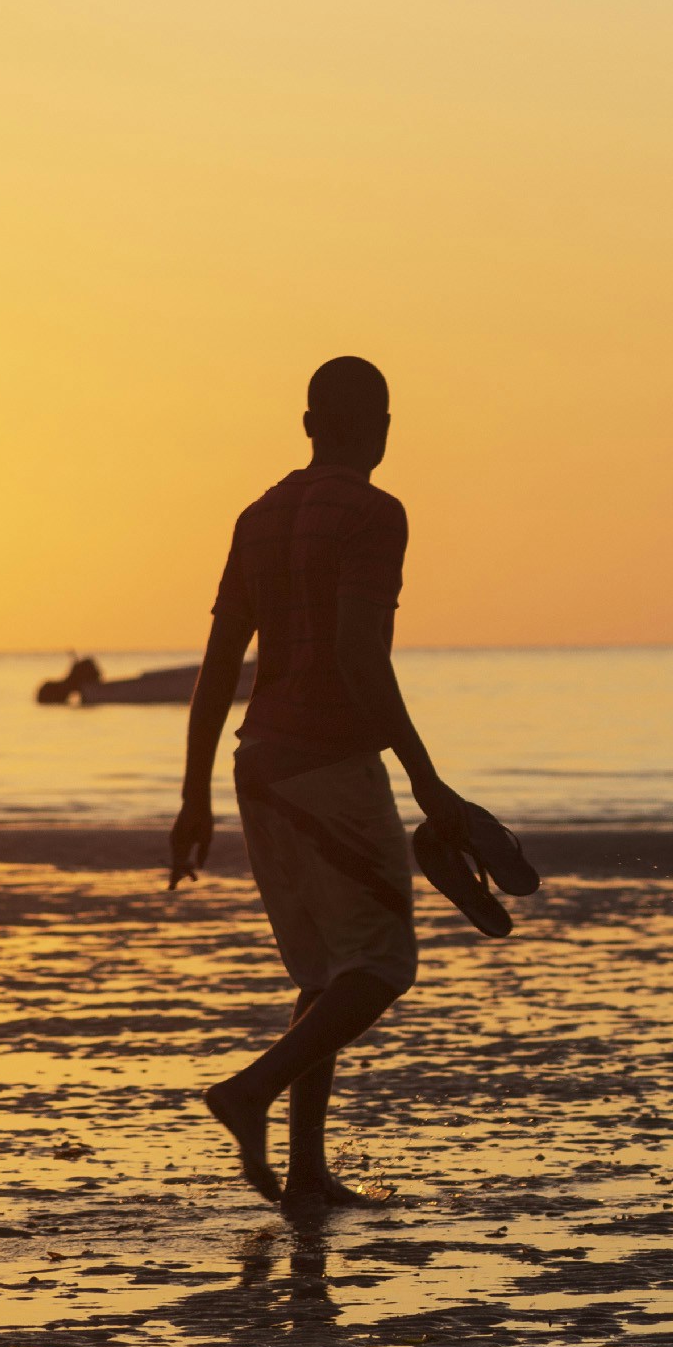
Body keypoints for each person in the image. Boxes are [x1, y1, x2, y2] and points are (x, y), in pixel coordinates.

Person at [171, 356, 475, 1209]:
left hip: (258, 766)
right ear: (383, 429)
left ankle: (307, 1170)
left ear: (308, 426)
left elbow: (218, 666)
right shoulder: (375, 514)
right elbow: (357, 653)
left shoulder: (258, 517)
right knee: (381, 965)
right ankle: (249, 1091)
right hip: (329, 764)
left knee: (324, 971)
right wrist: (426, 778)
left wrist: (194, 796)